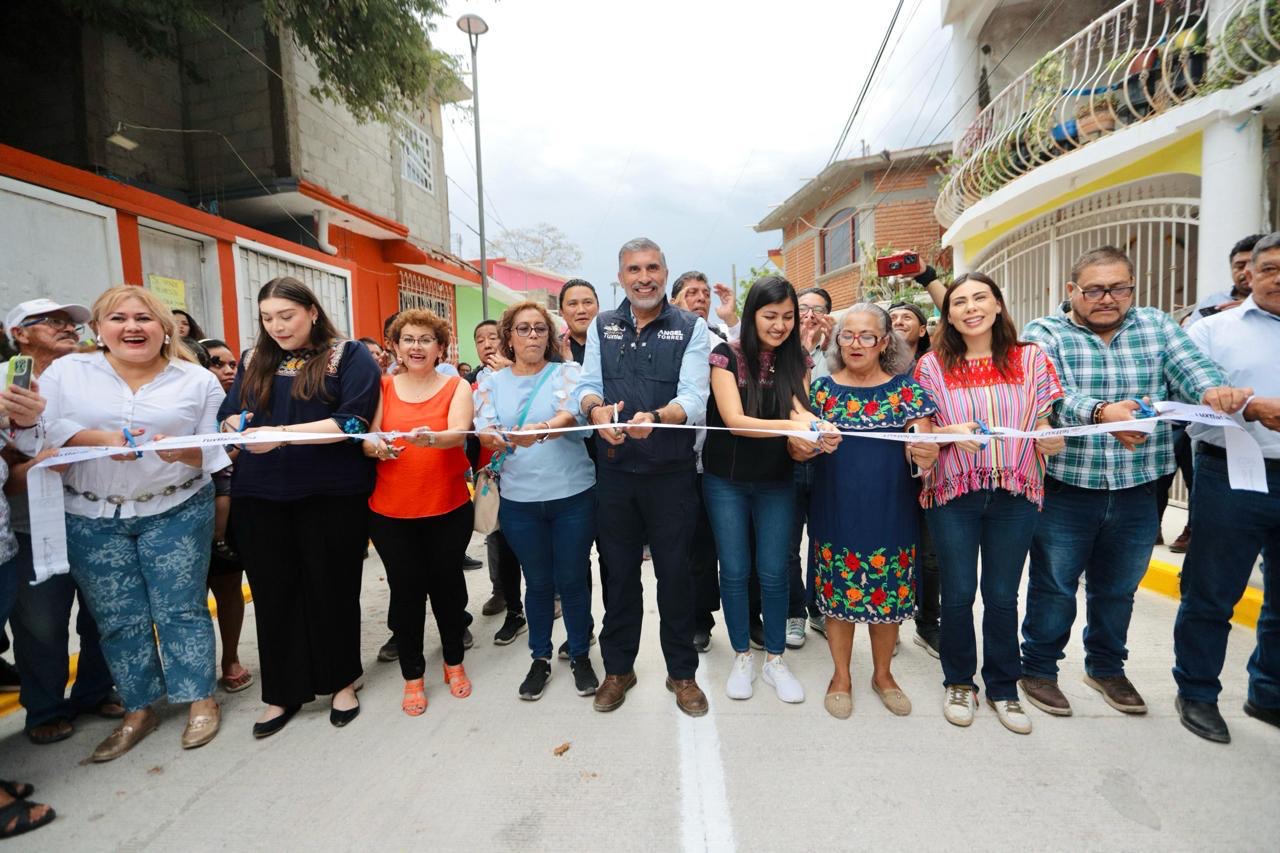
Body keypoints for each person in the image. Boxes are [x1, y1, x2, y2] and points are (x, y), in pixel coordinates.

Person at [1017, 246, 1247, 720]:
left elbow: (1192, 369)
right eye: (1095, 289)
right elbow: (1048, 394)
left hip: (1140, 486)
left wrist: (1213, 390)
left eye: (1119, 288)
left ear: (1131, 289)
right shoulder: (1045, 332)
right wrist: (1102, 414)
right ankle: (1038, 668)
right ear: (1072, 291)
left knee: (1118, 589)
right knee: (1055, 586)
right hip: (1067, 486)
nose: (1107, 298)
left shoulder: (1157, 326)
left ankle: (1106, 668)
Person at [24, 286, 227, 760]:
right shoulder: (66, 373)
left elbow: (215, 447)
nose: (132, 327)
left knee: (182, 608)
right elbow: (43, 430)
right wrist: (103, 437)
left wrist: (183, 450)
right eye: (118, 318)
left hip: (176, 507)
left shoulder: (197, 381)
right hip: (91, 515)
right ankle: (139, 706)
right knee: (117, 618)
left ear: (166, 329)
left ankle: (199, 698)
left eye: (144, 318)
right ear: (98, 329)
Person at [219, 276, 380, 737]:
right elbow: (231, 413)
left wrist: (282, 435)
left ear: (312, 310)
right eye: (268, 318)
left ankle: (342, 682)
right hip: (260, 494)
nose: (277, 327)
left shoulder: (348, 355)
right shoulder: (252, 360)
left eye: (286, 316)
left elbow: (353, 419)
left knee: (332, 589)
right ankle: (282, 692)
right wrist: (233, 421)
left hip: (329, 492)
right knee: (274, 595)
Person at [914, 272, 1065, 735]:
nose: (970, 307)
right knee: (957, 594)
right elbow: (919, 436)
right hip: (953, 492)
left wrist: (1051, 441)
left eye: (981, 298)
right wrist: (946, 435)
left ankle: (1004, 686)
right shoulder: (930, 366)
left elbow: (1045, 423)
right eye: (959, 302)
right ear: (949, 314)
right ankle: (960, 681)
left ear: (998, 305)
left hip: (1016, 493)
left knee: (1002, 596)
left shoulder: (1031, 358)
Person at [576, 237, 712, 716]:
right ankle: (619, 670)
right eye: (634, 269)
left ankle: (682, 674)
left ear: (664, 270)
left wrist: (656, 415)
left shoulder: (692, 327)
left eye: (653, 267)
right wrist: (596, 414)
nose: (644, 277)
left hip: (671, 474)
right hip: (614, 475)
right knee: (617, 577)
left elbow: (696, 398)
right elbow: (587, 387)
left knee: (676, 575)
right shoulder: (602, 325)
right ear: (621, 277)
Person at [703, 275, 835, 704]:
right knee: (736, 569)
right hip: (726, 481)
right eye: (770, 316)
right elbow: (735, 421)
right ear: (752, 314)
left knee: (775, 571)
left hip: (777, 480)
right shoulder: (725, 355)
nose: (779, 325)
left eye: (788, 317)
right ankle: (743, 654)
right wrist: (798, 425)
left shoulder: (797, 359)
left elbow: (800, 409)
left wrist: (816, 431)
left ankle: (775, 658)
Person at [1173, 231, 1280, 744]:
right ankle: (1196, 692)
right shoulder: (1212, 331)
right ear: (1250, 273)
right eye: (1271, 268)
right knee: (1213, 591)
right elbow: (1187, 391)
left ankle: (1269, 693)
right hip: (1233, 472)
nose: (1279, 278)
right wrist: (1246, 406)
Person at [0, 299, 121, 745]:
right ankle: (45, 707)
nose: (68, 328)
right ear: (19, 333)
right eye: (51, 321)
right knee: (41, 624)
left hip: (96, 513)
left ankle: (94, 690)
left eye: (72, 322)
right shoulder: (6, 385)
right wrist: (34, 465)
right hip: (30, 526)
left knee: (102, 614)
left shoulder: (97, 376)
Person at [808, 304, 937, 718]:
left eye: (867, 336)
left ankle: (883, 675)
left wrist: (925, 450)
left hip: (891, 510)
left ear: (885, 343)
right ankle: (841, 675)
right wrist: (810, 441)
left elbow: (925, 447)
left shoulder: (906, 391)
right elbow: (798, 447)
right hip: (836, 508)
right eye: (848, 335)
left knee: (888, 595)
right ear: (837, 340)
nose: (856, 344)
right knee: (838, 594)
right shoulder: (822, 392)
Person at [475, 301, 599, 700]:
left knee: (573, 579)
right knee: (539, 582)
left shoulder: (568, 373)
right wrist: (494, 436)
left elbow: (573, 416)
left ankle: (580, 654)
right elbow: (484, 428)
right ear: (508, 336)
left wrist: (542, 429)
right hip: (520, 501)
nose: (532, 336)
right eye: (523, 329)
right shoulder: (491, 382)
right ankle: (540, 658)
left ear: (550, 336)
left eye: (539, 329)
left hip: (573, 496)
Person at [363, 309, 474, 716]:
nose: (416, 346)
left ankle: (453, 662)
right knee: (405, 592)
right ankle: (413, 675)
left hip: (446, 507)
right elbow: (368, 438)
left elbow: (458, 434)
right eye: (408, 339)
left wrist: (431, 438)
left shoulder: (457, 386)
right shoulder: (383, 387)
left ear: (440, 347)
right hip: (390, 512)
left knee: (447, 588)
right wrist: (377, 446)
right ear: (395, 346)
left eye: (426, 339)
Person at [669, 274, 726, 650]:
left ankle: (701, 620)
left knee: (704, 548)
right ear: (673, 301)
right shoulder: (663, 342)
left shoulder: (720, 344)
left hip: (710, 461)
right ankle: (680, 617)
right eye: (691, 293)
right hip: (670, 461)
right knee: (677, 547)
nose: (701, 299)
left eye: (705, 294)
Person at [196, 338, 252, 694]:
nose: (228, 370)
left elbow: (237, 453)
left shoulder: (240, 403)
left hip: (232, 503)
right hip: (184, 504)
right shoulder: (193, 404)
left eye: (233, 364)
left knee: (229, 586)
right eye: (218, 363)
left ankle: (230, 658)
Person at [890, 298, 942, 658]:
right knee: (892, 551)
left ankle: (928, 625)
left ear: (923, 329)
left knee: (929, 557)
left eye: (906, 317)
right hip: (888, 476)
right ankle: (888, 624)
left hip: (929, 474)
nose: (898, 321)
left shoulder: (933, 365)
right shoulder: (875, 366)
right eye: (891, 317)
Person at [468, 320, 526, 641]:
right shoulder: (468, 383)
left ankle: (550, 596)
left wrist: (510, 373)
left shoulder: (527, 374)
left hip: (529, 472)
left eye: (493, 337)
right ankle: (507, 600)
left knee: (531, 540)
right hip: (492, 473)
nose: (487, 343)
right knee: (498, 539)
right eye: (480, 339)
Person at [790, 286, 836, 644]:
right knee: (786, 541)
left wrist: (834, 338)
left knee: (823, 537)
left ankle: (818, 607)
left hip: (830, 458)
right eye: (802, 308)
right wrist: (802, 351)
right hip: (788, 456)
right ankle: (793, 612)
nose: (808, 315)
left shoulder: (840, 353)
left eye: (817, 310)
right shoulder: (780, 351)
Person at [1185, 233, 1264, 327]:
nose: (1246, 272)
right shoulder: (1212, 301)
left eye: (1253, 265)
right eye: (1240, 266)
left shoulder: (1275, 304)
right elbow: (1188, 337)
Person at [672, 271, 739, 340]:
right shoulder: (664, 335)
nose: (702, 298)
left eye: (707, 294)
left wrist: (730, 317)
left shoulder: (723, 333)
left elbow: (746, 346)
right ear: (673, 304)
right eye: (692, 292)